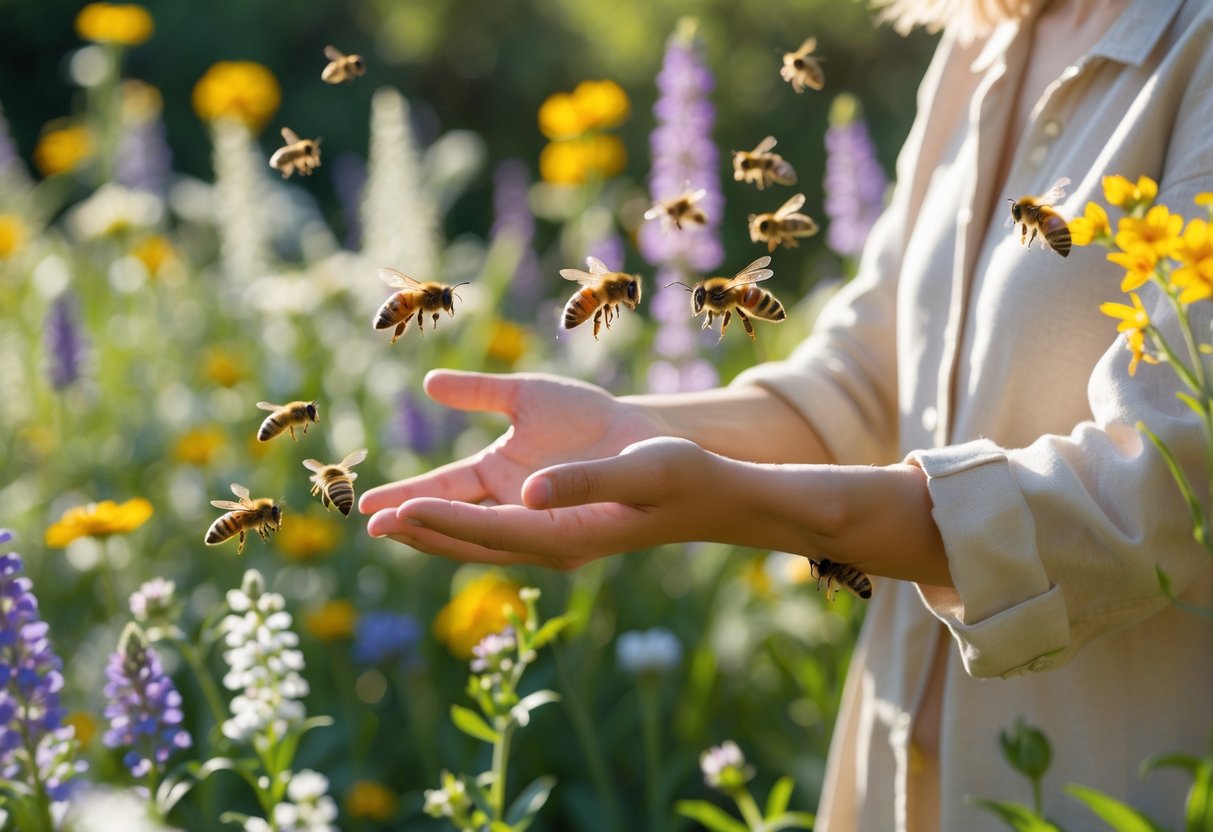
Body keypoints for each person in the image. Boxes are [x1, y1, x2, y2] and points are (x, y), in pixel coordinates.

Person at [361, 0, 1213, 828]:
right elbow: (870, 373)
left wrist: (761, 506)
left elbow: (1159, 491)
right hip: (894, 782)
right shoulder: (985, 32)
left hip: (1108, 784)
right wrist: (636, 434)